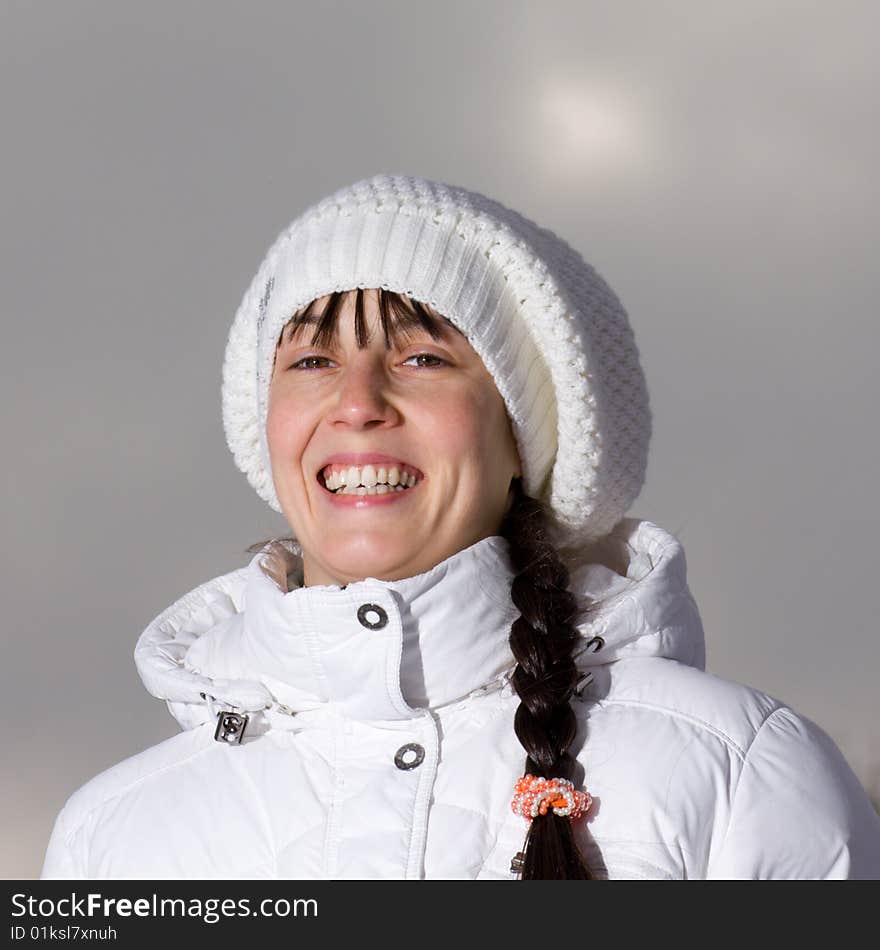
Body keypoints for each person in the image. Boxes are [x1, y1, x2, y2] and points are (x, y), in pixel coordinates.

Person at [41, 174, 880, 880]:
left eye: (422, 358)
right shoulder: (111, 837)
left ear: (524, 433)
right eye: (312, 361)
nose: (358, 404)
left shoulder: (740, 774)